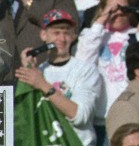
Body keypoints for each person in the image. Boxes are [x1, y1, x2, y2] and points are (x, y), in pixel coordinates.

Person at [15, 9, 101, 145]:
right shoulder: (37, 73)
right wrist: (28, 70)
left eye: (66, 33)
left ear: (73, 36)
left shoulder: (86, 70)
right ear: (43, 35)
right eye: (56, 33)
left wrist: (42, 84)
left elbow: (80, 116)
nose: (62, 38)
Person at [75, 0, 139, 145]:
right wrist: (101, 20)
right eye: (113, 8)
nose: (119, 13)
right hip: (102, 118)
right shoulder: (94, 36)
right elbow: (82, 60)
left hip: (132, 116)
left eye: (123, 8)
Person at [0, 0, 79, 84]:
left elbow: (69, 29)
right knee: (5, 105)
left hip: (42, 79)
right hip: (4, 83)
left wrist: (29, 1)